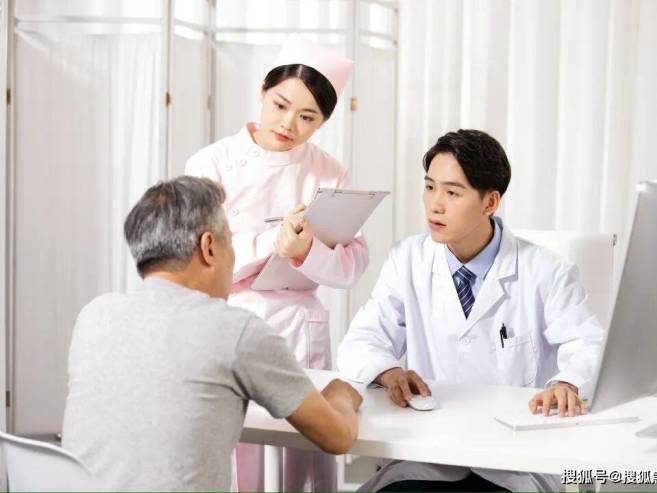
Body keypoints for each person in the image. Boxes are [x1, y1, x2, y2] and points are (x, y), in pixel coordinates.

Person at [337, 129, 605, 492]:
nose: (435, 204)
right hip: (428, 457)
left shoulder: (548, 271)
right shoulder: (408, 260)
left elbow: (589, 345)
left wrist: (567, 382)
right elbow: (361, 340)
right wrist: (388, 372)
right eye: (429, 187)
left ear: (490, 202)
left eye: (452, 192)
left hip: (513, 464)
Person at [61, 176, 362, 491]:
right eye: (229, 242)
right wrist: (341, 394)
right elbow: (337, 437)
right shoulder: (235, 331)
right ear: (208, 247)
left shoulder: (94, 316)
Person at [185, 34, 368, 491]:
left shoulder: (330, 173)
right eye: (280, 105)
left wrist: (305, 252)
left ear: (323, 121)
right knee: (239, 462)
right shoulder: (212, 163)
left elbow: (352, 265)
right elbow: (197, 260)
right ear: (263, 91)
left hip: (300, 332)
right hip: (233, 325)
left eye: (308, 117)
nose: (288, 124)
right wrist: (275, 241)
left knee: (300, 466)